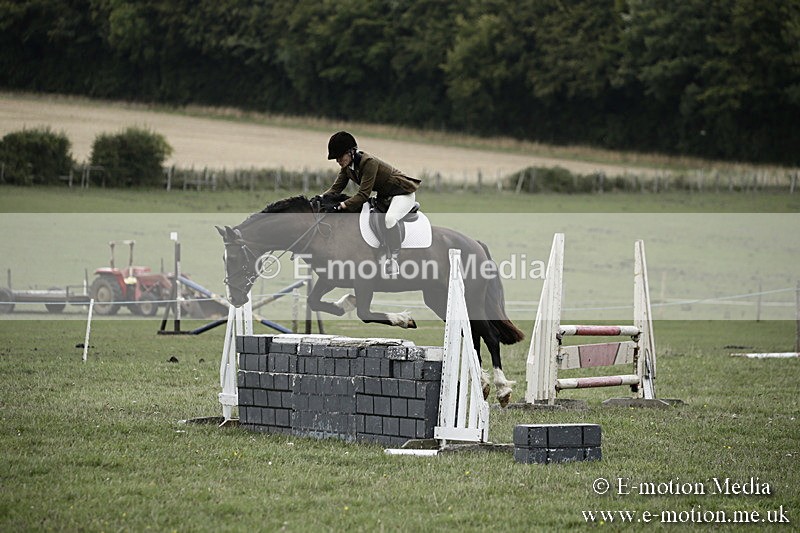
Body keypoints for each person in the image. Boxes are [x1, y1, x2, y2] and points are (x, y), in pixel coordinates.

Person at [323, 131, 421, 276]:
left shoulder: (368, 162)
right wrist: (319, 199)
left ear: (351, 152)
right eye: (336, 157)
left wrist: (341, 205)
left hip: (402, 193)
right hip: (384, 196)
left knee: (389, 219)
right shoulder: (347, 168)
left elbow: (362, 195)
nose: (337, 160)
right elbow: (335, 189)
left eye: (340, 156)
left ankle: (394, 259)